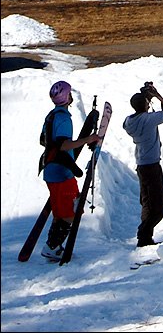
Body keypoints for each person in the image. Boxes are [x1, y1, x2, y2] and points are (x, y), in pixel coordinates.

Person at [40, 80, 101, 261]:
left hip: (51, 170)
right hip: (61, 172)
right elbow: (64, 145)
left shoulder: (51, 116)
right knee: (69, 213)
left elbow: (45, 141)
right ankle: (52, 247)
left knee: (60, 212)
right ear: (67, 96)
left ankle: (54, 246)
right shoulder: (63, 118)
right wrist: (88, 139)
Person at [122, 83, 163, 247]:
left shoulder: (129, 122)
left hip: (141, 165)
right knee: (158, 207)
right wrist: (157, 96)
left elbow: (140, 111)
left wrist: (145, 99)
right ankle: (143, 234)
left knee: (147, 202)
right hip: (152, 166)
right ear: (145, 105)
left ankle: (145, 238)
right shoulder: (148, 120)